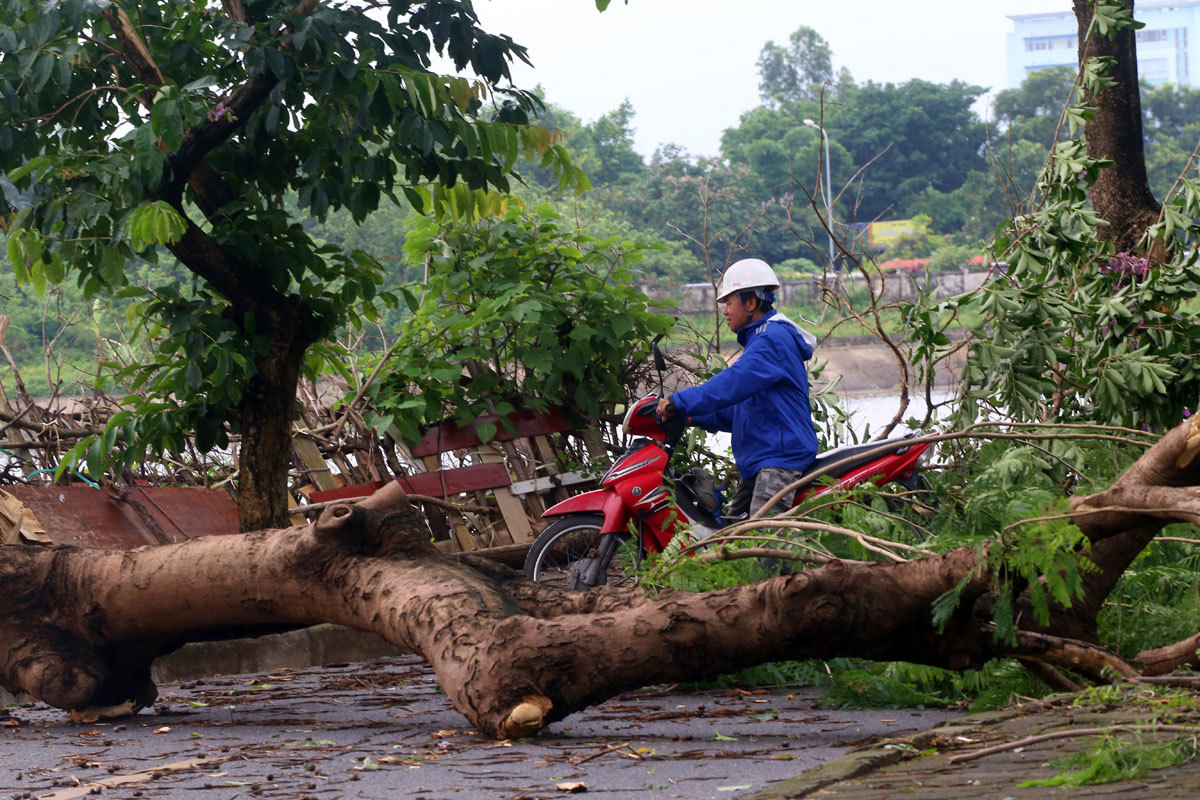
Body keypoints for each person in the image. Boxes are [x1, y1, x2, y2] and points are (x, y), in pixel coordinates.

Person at [657, 258, 818, 519]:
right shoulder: (760, 340)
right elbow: (740, 411)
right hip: (761, 459)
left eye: (729, 303)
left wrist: (679, 401)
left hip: (779, 461)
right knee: (728, 535)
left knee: (764, 541)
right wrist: (690, 415)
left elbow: (730, 384)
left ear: (750, 303)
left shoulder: (770, 340)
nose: (725, 311)